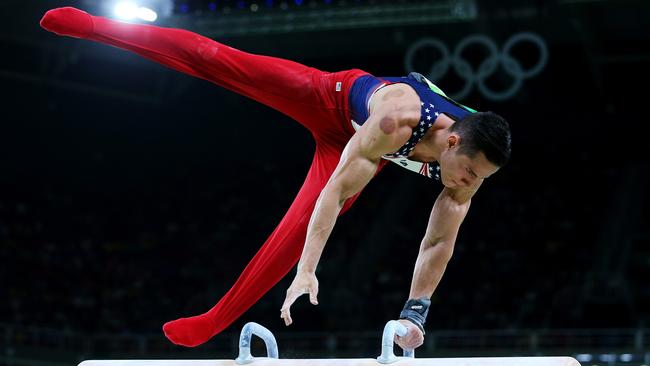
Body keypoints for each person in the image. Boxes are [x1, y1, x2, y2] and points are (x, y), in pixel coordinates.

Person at [40, 7, 511, 350]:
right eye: (469, 171)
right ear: (452, 143)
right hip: (329, 99)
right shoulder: (397, 120)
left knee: (288, 237)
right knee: (217, 59)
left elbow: (436, 244)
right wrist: (309, 270)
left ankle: (212, 321)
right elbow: (335, 192)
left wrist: (415, 315)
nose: (469, 183)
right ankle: (97, 28)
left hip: (361, 148)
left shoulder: (471, 167)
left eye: (480, 177)